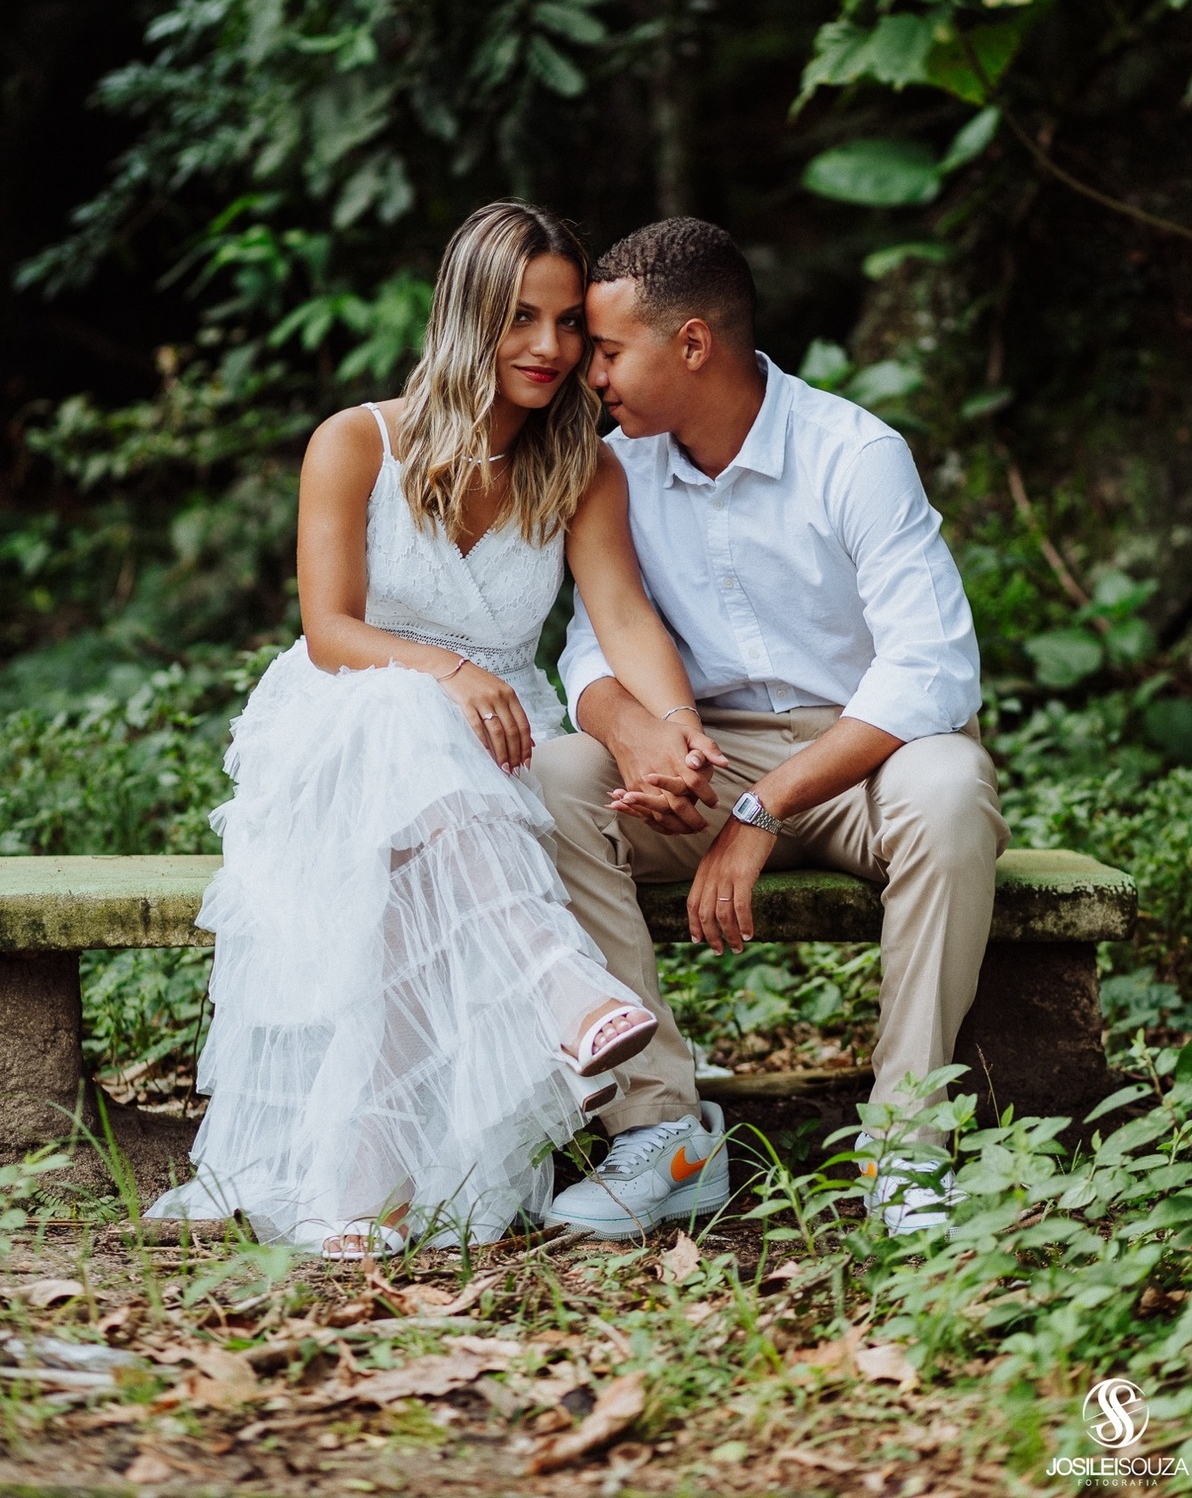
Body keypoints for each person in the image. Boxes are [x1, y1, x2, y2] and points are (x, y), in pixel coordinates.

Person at [147, 201, 729, 1257]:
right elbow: (329, 632)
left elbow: (625, 616)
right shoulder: (356, 443)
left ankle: (366, 1188)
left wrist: (678, 727)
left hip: (494, 757)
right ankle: (553, 980)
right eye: (520, 319)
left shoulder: (578, 467)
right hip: (340, 735)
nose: (549, 349)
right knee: (400, 715)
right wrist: (447, 672)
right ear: (465, 315)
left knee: (419, 873)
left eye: (564, 324)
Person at [536, 217, 1010, 1241]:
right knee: (557, 780)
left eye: (611, 351)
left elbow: (931, 667)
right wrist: (634, 734)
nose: (593, 375)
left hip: (860, 756)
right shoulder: (618, 469)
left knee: (952, 788)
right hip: (703, 754)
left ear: (693, 343)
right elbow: (590, 648)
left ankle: (907, 1147)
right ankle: (662, 1133)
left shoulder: (853, 454)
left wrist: (767, 808)